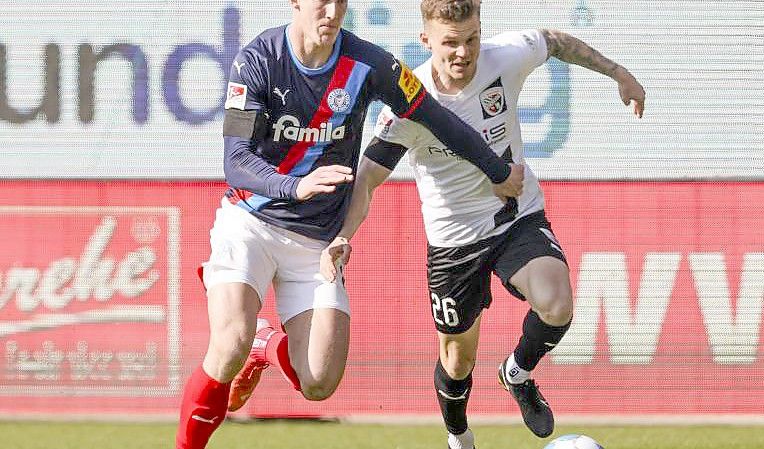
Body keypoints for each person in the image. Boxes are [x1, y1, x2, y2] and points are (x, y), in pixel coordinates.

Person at [175, 0, 526, 447]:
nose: (333, 11)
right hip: (251, 222)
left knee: (319, 382)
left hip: (318, 242)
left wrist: (497, 171)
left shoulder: (371, 63)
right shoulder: (257, 60)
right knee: (229, 344)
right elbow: (236, 161)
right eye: (322, 1)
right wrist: (294, 187)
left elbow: (437, 120)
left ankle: (265, 346)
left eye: (341, 1)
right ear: (296, 3)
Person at [320, 0, 645, 447]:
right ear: (427, 40)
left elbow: (555, 41)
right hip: (454, 242)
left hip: (516, 218)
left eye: (471, 38)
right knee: (457, 361)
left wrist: (619, 73)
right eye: (450, 42)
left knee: (558, 302)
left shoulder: (504, 58)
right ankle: (459, 436)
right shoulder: (407, 105)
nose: (463, 52)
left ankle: (518, 373)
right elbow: (369, 179)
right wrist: (341, 237)